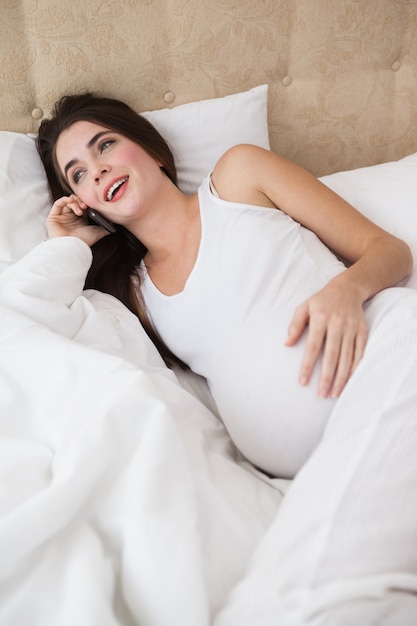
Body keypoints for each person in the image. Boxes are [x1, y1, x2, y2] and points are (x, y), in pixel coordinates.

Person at [36, 92, 413, 478]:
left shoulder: (238, 177)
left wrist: (346, 291)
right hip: (321, 471)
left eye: (105, 145)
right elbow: (42, 341)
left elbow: (391, 251)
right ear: (85, 203)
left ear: (152, 149)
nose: (97, 170)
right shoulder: (132, 294)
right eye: (78, 174)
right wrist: (64, 245)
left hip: (384, 364)